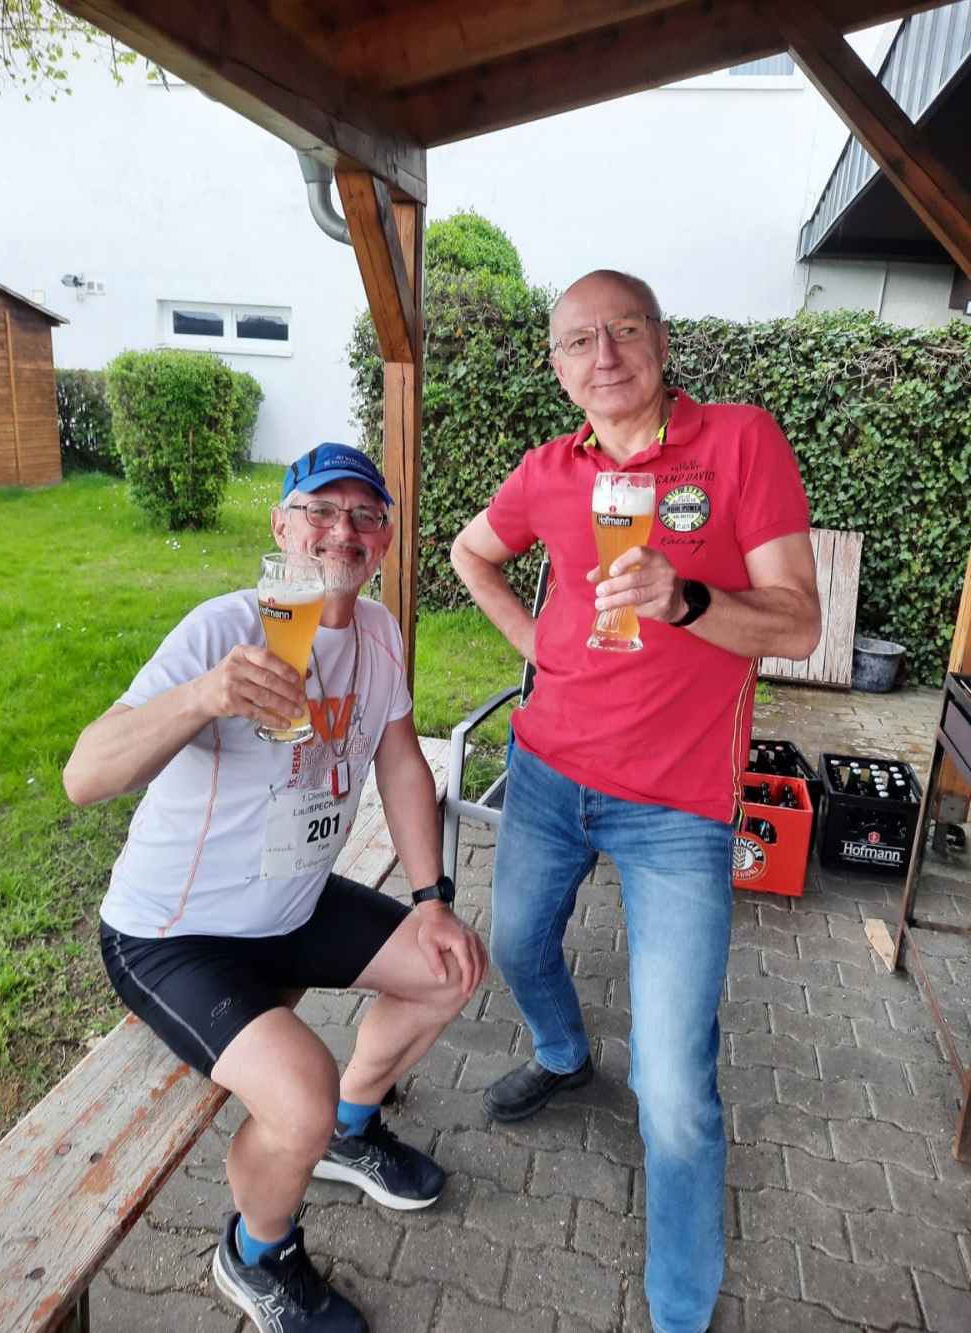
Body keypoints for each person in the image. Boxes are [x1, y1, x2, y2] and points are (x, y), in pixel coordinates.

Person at [450, 271, 821, 1333]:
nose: (602, 354)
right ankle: (564, 1055)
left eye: (622, 330)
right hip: (546, 772)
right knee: (515, 944)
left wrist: (686, 599)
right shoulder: (548, 469)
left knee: (674, 1092)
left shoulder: (740, 441)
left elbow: (799, 624)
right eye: (578, 339)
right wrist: (536, 646)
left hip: (677, 808)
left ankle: (678, 1312)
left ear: (660, 340)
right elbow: (472, 552)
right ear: (557, 366)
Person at [64, 443, 488, 1333]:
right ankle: (256, 1253)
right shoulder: (222, 629)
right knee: (298, 1091)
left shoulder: (379, 634)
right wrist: (202, 697)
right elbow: (84, 775)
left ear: (383, 540)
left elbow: (400, 760)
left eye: (364, 514)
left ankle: (351, 1129)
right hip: (173, 933)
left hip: (293, 900)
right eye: (320, 510)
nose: (342, 530)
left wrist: (434, 899)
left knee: (448, 964)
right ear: (282, 527)